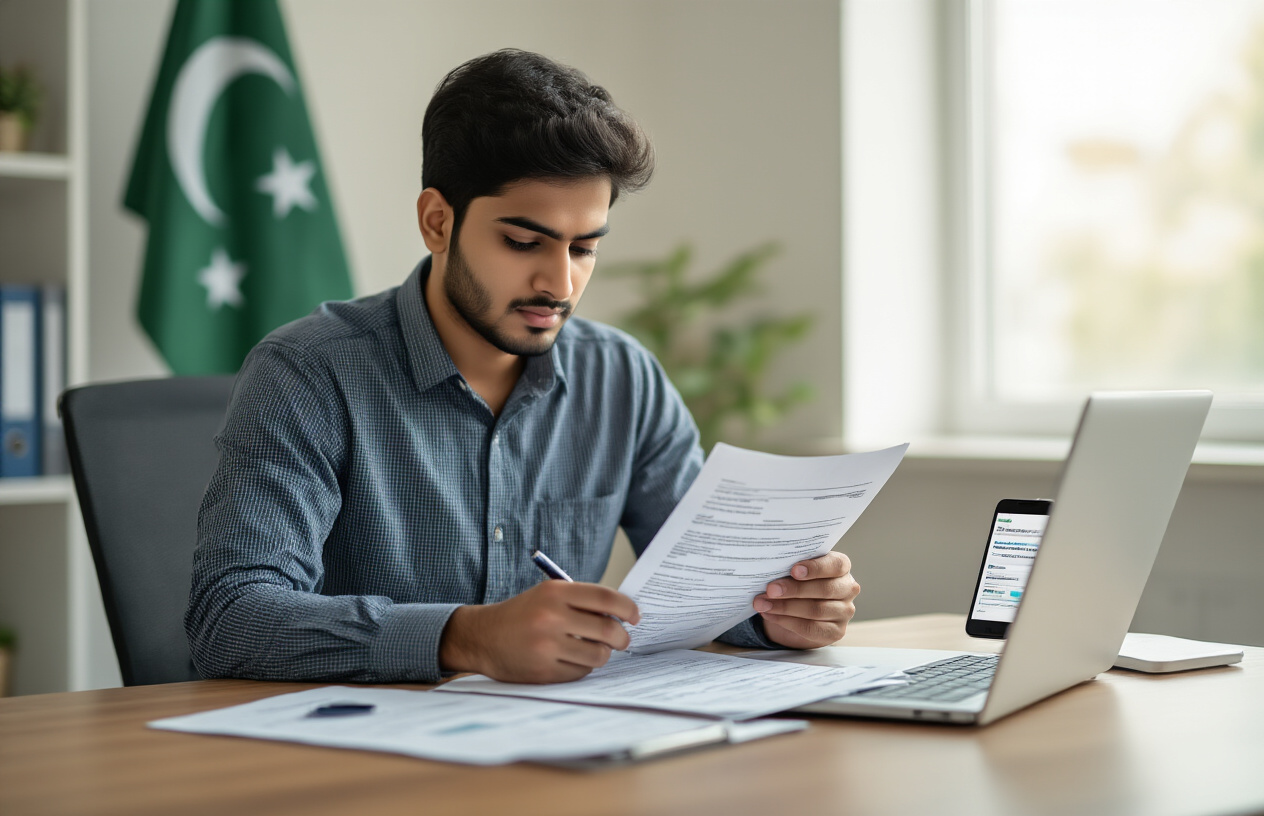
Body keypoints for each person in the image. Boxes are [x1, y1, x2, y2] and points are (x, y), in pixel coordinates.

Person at [186, 49, 860, 685]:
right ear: (437, 222)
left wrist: (779, 613)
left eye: (585, 248)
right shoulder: (308, 373)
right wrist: (466, 636)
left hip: (557, 755)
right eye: (522, 241)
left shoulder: (623, 378)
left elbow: (709, 592)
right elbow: (231, 618)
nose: (559, 282)